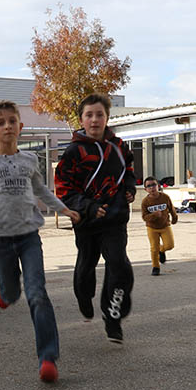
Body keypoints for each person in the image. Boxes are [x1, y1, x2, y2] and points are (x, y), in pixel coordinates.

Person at [0, 100, 80, 384]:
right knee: (13, 292)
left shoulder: (30, 160)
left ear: (21, 126)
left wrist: (62, 208)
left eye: (12, 121)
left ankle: (48, 357)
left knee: (37, 294)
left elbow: (41, 189)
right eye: (1, 122)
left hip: (30, 237)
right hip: (0, 242)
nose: (7, 126)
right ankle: (5, 293)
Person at [54, 93, 137, 343]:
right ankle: (83, 297)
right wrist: (88, 207)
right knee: (86, 267)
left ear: (107, 117)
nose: (94, 120)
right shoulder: (73, 152)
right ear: (81, 119)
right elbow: (64, 189)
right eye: (89, 115)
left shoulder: (120, 146)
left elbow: (129, 172)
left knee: (119, 265)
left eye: (99, 114)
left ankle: (113, 318)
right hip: (86, 222)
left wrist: (130, 190)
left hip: (115, 220)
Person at [140, 176, 178, 276]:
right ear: (145, 189)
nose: (152, 188)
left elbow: (171, 209)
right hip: (152, 228)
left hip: (165, 226)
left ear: (158, 186)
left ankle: (162, 250)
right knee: (154, 248)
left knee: (170, 245)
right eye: (149, 186)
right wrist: (154, 215)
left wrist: (174, 217)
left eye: (154, 185)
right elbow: (144, 217)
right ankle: (155, 267)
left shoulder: (165, 197)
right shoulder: (145, 202)